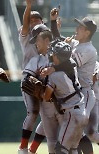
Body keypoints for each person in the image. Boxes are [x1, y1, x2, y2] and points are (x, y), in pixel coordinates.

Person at [42, 8, 98, 153]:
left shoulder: (89, 49)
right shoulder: (77, 44)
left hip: (84, 93)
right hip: (75, 91)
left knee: (81, 132)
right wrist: (53, 22)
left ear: (87, 32)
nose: (77, 28)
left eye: (81, 27)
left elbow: (70, 63)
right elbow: (59, 46)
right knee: (76, 136)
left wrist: (54, 69)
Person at [41, 41, 88, 154]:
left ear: (57, 56)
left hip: (72, 114)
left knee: (61, 150)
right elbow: (66, 63)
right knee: (73, 149)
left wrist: (40, 91)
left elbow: (46, 97)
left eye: (54, 54)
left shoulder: (54, 76)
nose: (52, 55)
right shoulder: (72, 66)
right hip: (82, 112)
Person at [18, 0, 46, 153]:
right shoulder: (26, 37)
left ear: (43, 22)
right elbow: (25, 25)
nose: (34, 22)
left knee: (48, 117)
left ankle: (32, 149)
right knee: (33, 113)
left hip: (47, 79)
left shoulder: (48, 37)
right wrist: (28, 7)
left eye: (37, 19)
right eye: (31, 20)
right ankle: (22, 148)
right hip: (29, 78)